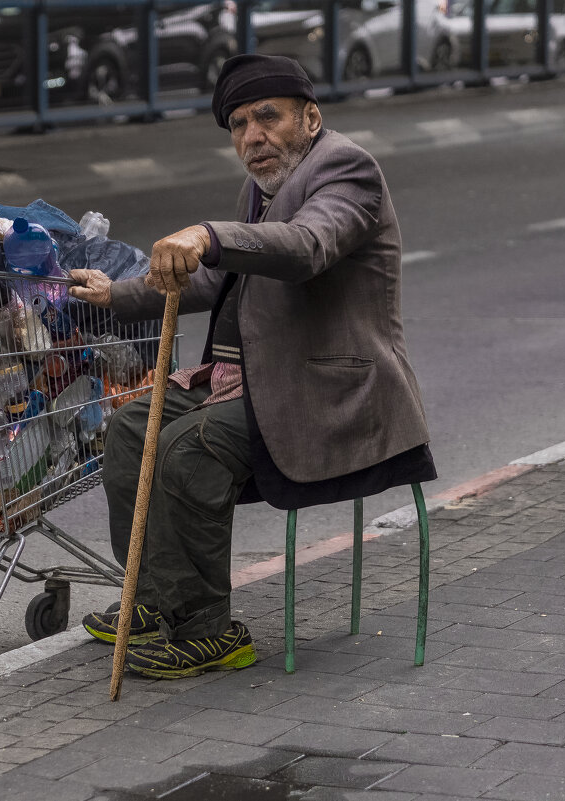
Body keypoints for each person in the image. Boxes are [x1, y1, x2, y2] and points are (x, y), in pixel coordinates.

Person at [68, 54, 436, 680]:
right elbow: (214, 278)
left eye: (268, 118)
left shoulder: (346, 171)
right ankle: (158, 599)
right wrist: (116, 294)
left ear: (310, 118)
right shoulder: (265, 186)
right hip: (252, 379)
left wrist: (209, 233)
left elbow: (306, 247)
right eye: (238, 125)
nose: (251, 137)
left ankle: (208, 630)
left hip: (330, 390)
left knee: (190, 448)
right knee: (132, 429)